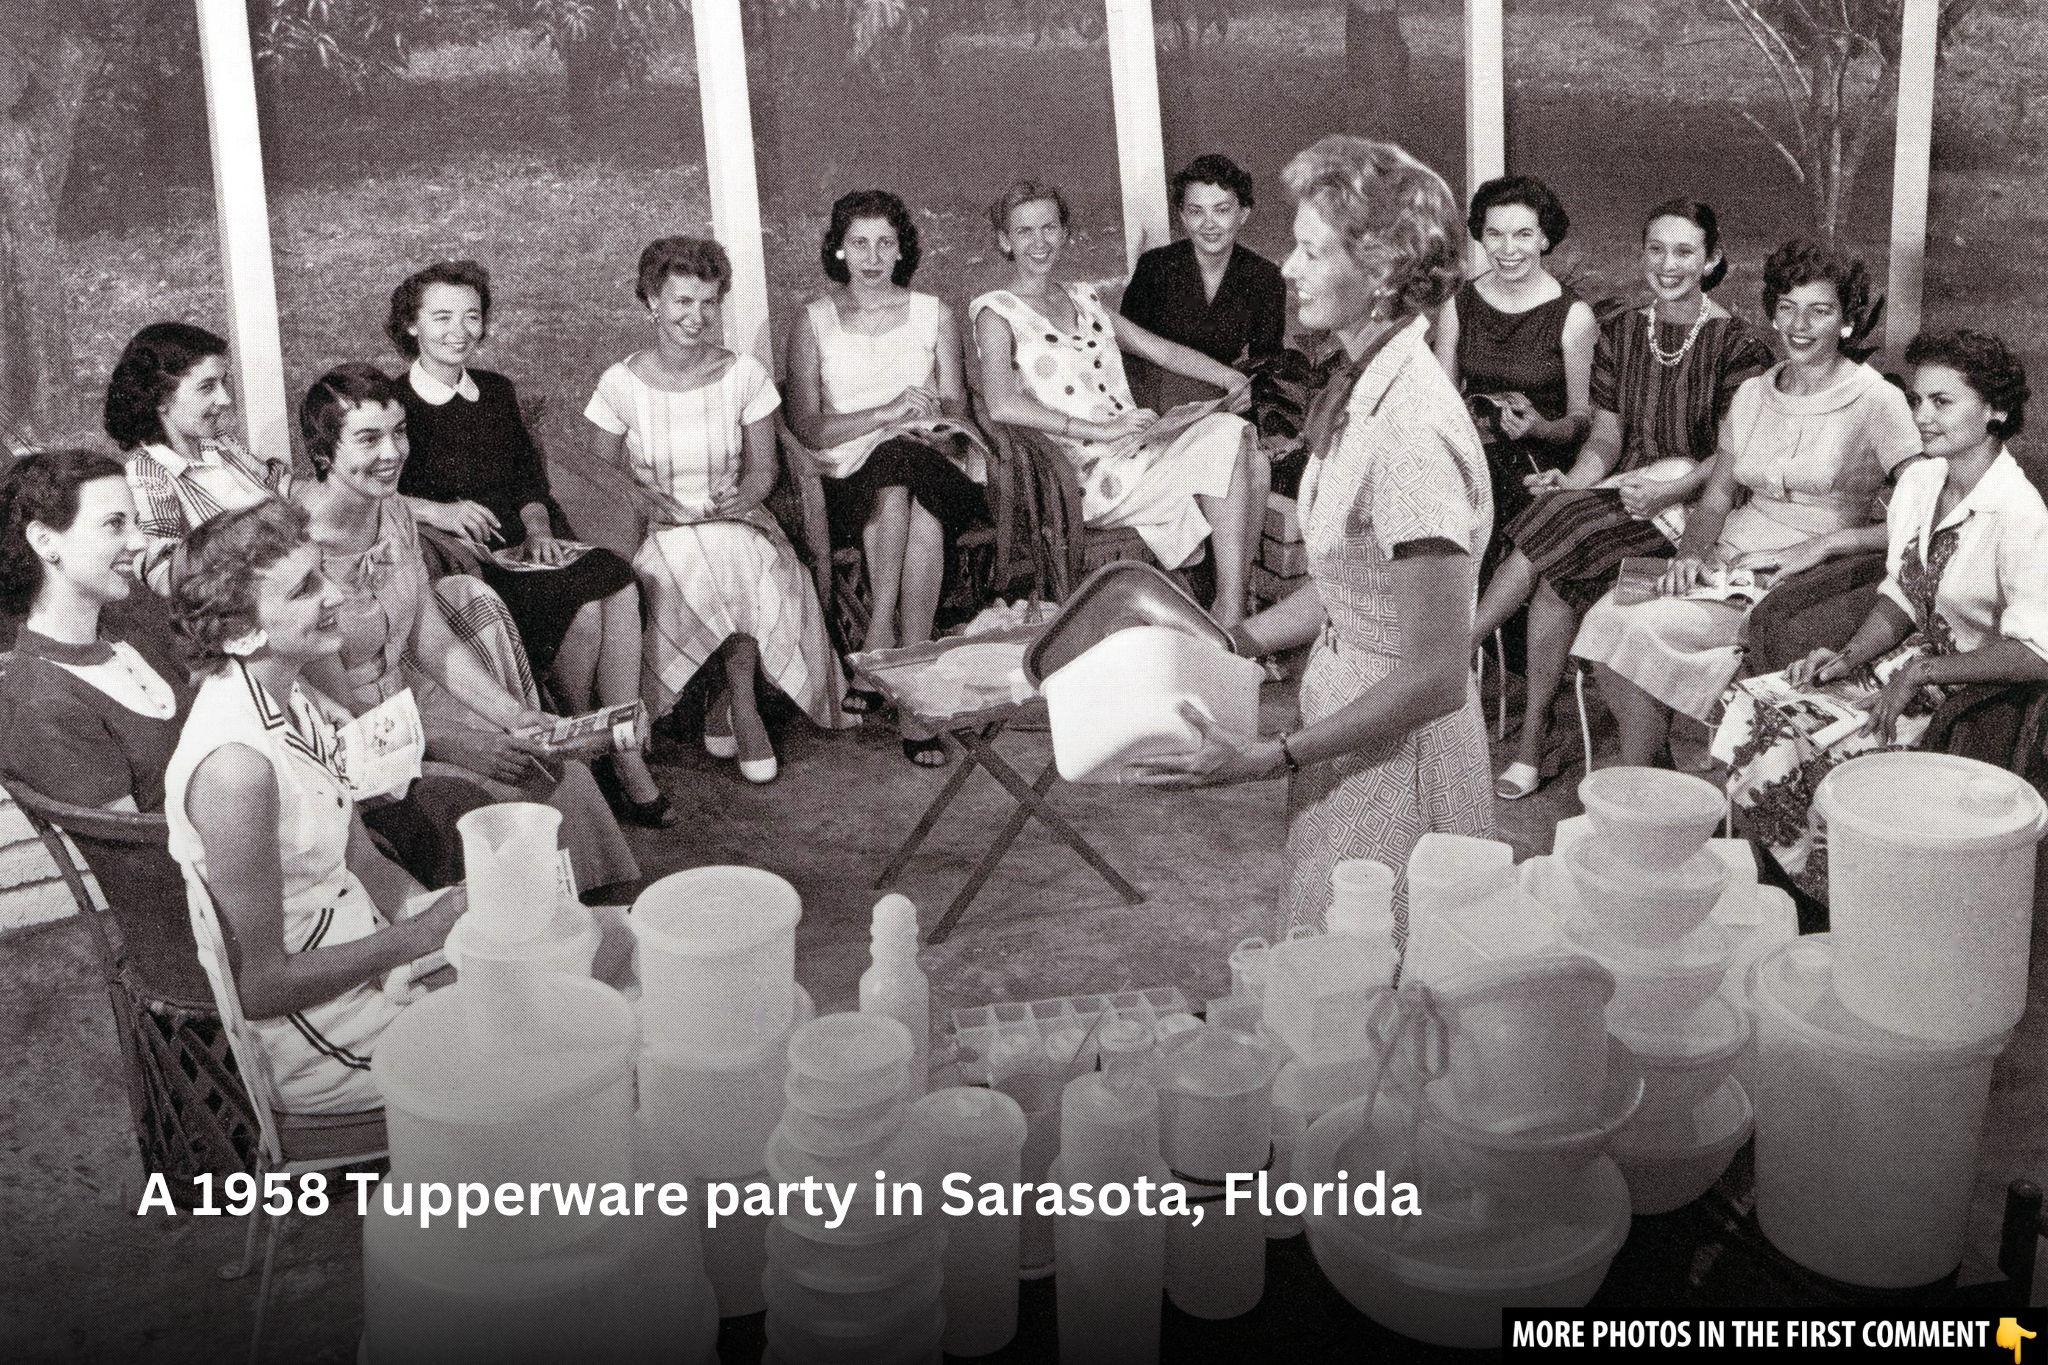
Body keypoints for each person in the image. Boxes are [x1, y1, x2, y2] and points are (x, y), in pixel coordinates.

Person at [1131, 136, 1496, 937]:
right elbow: (1350, 587)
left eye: (1311, 250)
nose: (1289, 268)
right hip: (1347, 722)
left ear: (1382, 271)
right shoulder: (1365, 383)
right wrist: (1230, 639)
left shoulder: (1412, 433)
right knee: (1334, 962)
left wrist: (1271, 755)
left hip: (1403, 754)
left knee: (1382, 972)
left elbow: (1437, 675)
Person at [1712, 330, 2048, 903]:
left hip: (1972, 695)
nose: (1922, 416)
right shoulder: (1920, 481)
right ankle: (1794, 894)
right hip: (1905, 667)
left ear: (1995, 409)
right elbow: (1902, 594)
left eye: (1942, 402)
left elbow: (2038, 653)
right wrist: (1848, 657)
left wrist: (1919, 673)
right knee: (1754, 706)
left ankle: (1852, 905)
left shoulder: (2020, 515)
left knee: (1834, 758)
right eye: (1918, 400)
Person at [162, 500, 467, 1115]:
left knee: (556, 972)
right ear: (241, 634)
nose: (334, 594)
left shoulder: (292, 698)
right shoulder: (235, 770)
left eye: (322, 572)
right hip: (320, 1040)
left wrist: (446, 927)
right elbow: (261, 987)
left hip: (372, 962)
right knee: (553, 1049)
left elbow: (363, 861)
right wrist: (419, 938)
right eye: (305, 588)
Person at [293, 364, 641, 892]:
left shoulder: (394, 512)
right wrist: (455, 744)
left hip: (410, 698)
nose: (392, 453)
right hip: (345, 736)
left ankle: (579, 918)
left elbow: (432, 641)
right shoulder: (295, 543)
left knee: (550, 767)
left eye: (399, 432)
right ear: (323, 453)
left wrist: (516, 716)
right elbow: (334, 707)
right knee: (487, 800)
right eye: (368, 439)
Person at [1575, 240, 1920, 767]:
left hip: (1806, 581)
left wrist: (1827, 545)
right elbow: (1717, 494)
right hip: (1731, 558)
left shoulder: (1877, 400)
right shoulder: (1754, 393)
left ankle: (1641, 780)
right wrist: (1690, 554)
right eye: (1787, 307)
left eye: (1819, 311)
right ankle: (1654, 774)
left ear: (1846, 321)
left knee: (1639, 630)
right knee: (1606, 618)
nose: (1799, 325)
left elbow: (1927, 514)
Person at [1472, 199, 1774, 799]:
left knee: (1558, 538)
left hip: (1699, 508)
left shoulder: (1739, 345)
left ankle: (1479, 675)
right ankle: (1530, 736)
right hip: (1624, 495)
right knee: (1558, 544)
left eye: (1684, 252)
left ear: (1711, 259)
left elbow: (1732, 457)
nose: (1668, 264)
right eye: (1656, 250)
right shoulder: (1622, 333)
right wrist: (1577, 480)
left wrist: (1669, 489)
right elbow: (1607, 439)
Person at [385, 260, 670, 824]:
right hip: (466, 560)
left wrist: (540, 531)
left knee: (617, 581)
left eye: (471, 317)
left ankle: (620, 749)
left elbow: (528, 482)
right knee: (583, 610)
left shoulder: (495, 391)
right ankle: (586, 749)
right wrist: (440, 510)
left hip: (526, 545)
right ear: (411, 325)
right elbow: (370, 489)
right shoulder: (395, 404)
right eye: (442, 318)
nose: (459, 331)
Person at [585, 236, 850, 784]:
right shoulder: (620, 383)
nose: (697, 316)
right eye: (683, 301)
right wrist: (644, 501)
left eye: (709, 302)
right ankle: (731, 702)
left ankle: (741, 703)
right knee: (700, 560)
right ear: (652, 301)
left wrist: (745, 496)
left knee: (734, 553)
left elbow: (764, 469)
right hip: (658, 528)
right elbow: (600, 475)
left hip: (736, 518)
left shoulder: (744, 374)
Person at [971, 180, 1269, 628]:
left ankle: (1232, 607)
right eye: (1024, 231)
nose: (1039, 242)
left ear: (1064, 232)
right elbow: (1001, 404)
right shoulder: (996, 313)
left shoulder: (1084, 300)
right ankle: (1231, 614)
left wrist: (1227, 376)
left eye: (1049, 228)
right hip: (1080, 475)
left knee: (1254, 461)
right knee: (1229, 439)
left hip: (1133, 448)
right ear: (1005, 241)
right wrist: (1100, 431)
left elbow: (1158, 349)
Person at [783, 192, 988, 765]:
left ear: (901, 250)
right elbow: (808, 426)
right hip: (849, 473)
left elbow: (958, 408)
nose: (873, 257)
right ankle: (914, 692)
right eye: (860, 243)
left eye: (885, 243)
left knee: (903, 461)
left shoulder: (934, 312)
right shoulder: (813, 321)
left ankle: (878, 641)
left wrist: (934, 423)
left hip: (934, 460)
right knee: (908, 497)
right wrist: (887, 413)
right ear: (839, 250)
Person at [1432, 174, 1596, 545]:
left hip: (1541, 470)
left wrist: (1540, 428)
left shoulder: (1574, 316)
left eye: (1523, 234)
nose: (1508, 249)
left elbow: (1582, 420)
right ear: (1481, 236)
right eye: (1495, 234)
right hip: (1475, 462)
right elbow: (1441, 406)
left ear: (1544, 238)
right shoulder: (1458, 305)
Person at [105, 322, 292, 594]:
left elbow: (280, 487)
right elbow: (162, 571)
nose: (225, 399)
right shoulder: (148, 471)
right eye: (207, 387)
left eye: (222, 383)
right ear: (161, 399)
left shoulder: (220, 443)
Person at [1120, 154, 1288, 413]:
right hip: (1154, 401)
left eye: (1222, 210)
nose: (1209, 223)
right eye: (1196, 211)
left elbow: (1266, 363)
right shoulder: (1155, 267)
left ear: (1243, 214)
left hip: (1221, 400)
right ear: (1183, 216)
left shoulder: (1264, 277)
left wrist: (1248, 394)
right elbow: (1126, 348)